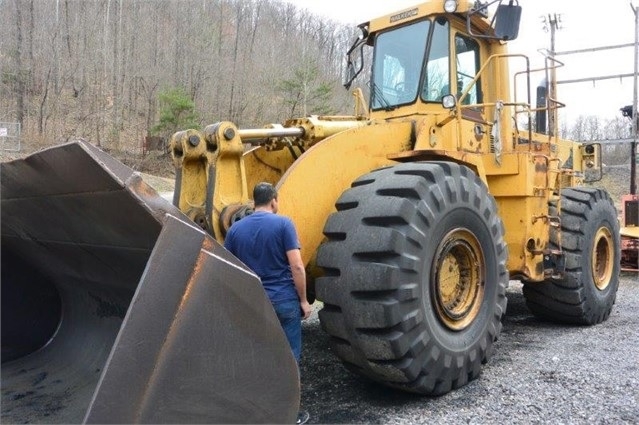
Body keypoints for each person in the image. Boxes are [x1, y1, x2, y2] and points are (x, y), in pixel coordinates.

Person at [224, 182, 312, 425]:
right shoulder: (283, 224)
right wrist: (303, 300)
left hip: (252, 301)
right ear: (273, 200)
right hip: (283, 301)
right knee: (289, 358)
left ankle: (258, 413)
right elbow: (296, 266)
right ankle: (288, 414)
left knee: (258, 356)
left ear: (254, 201)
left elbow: (228, 267)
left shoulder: (235, 230)